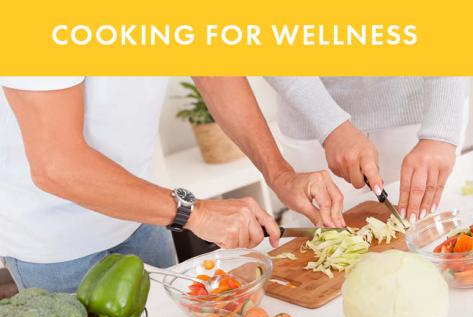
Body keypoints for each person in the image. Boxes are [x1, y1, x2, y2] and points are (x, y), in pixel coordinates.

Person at [0, 76, 345, 292]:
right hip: (56, 242)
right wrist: (193, 213)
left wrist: (280, 174)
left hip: (142, 210)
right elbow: (56, 165)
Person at [265, 76, 469, 225]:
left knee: (431, 232)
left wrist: (441, 129)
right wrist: (329, 124)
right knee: (325, 233)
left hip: (424, 109)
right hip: (308, 110)